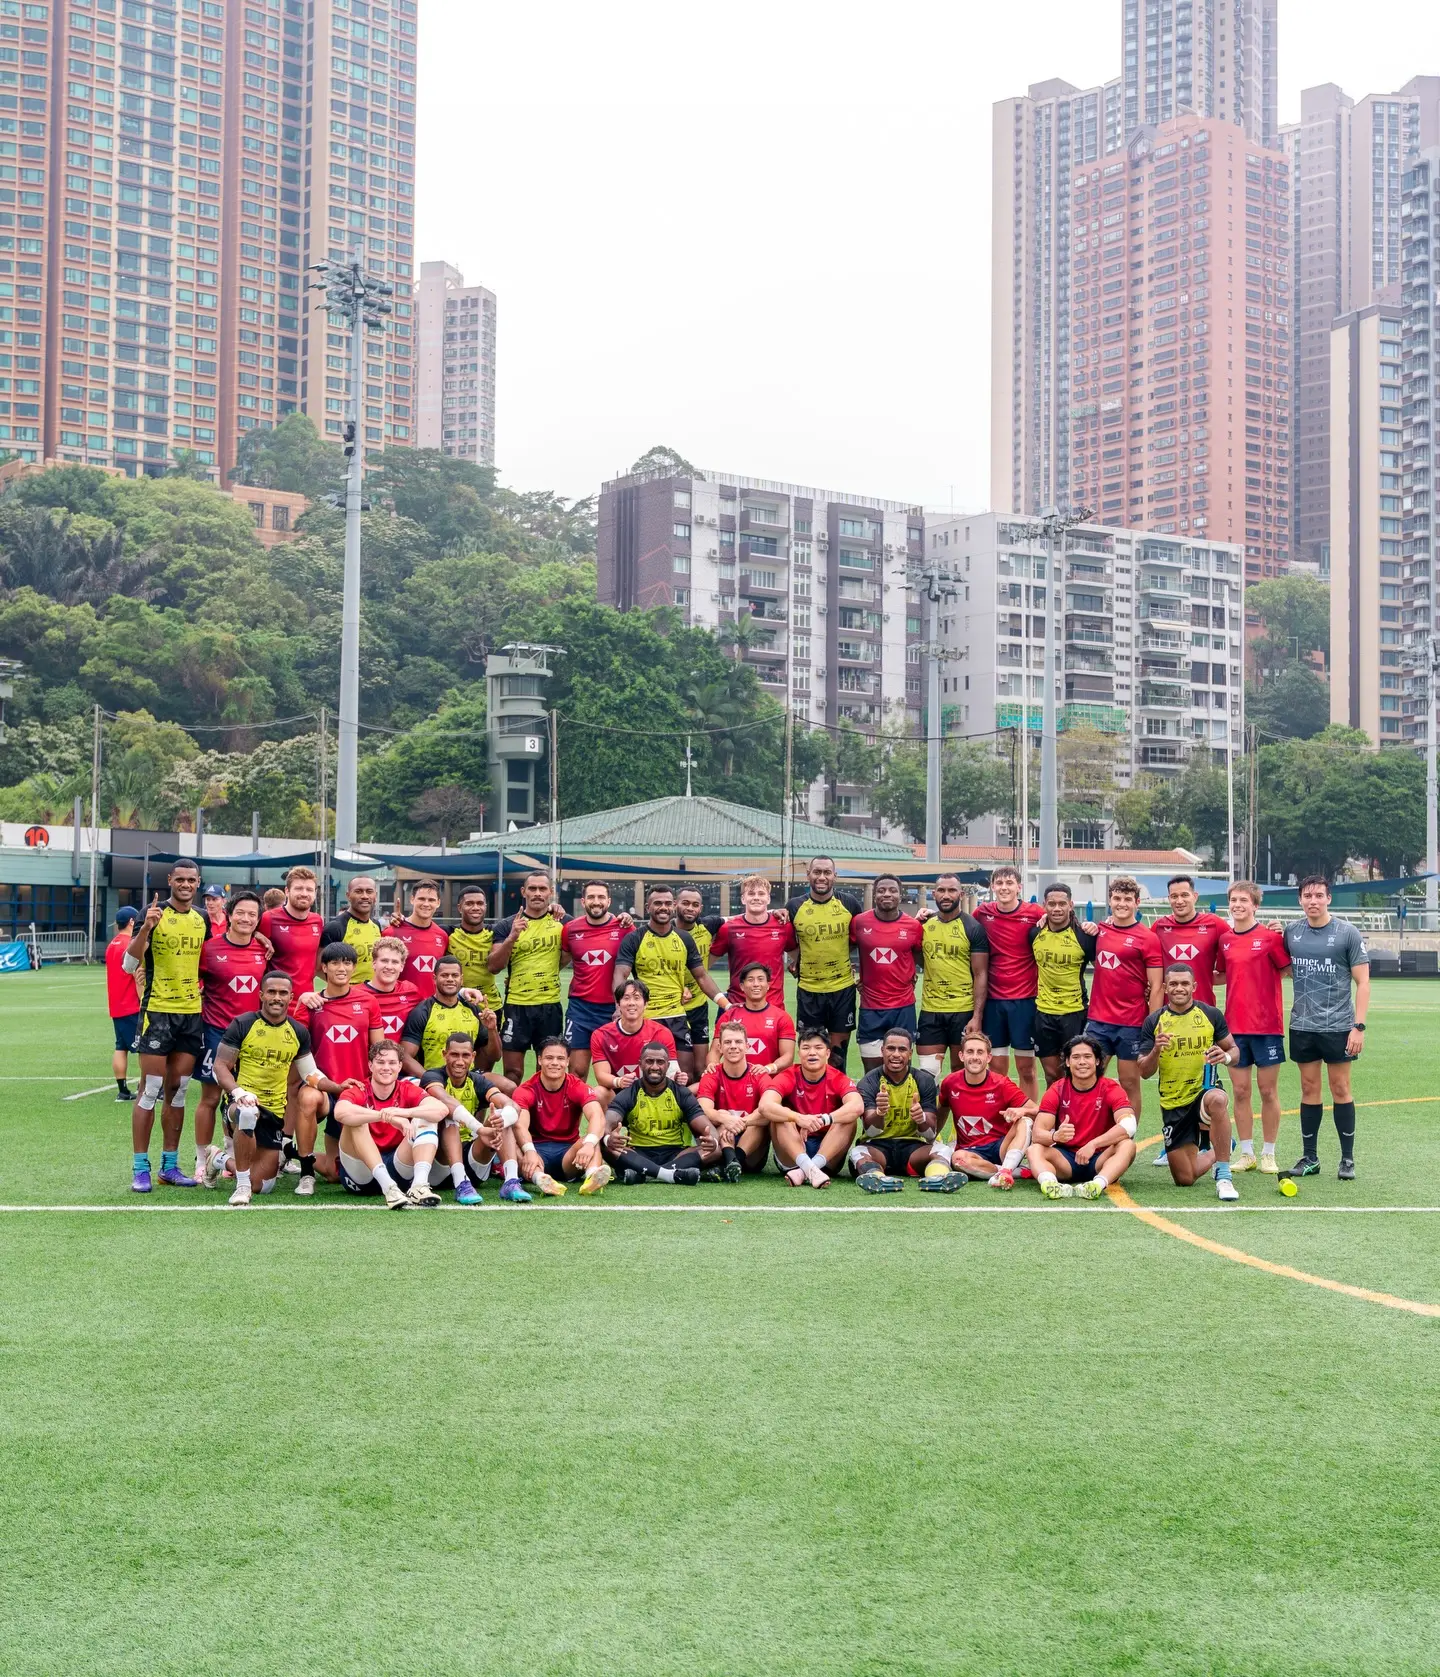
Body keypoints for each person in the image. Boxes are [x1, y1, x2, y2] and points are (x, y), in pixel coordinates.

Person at [124, 861, 209, 1191]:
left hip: (191, 1016)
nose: (186, 884)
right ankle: (140, 1168)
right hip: (157, 1013)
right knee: (150, 1091)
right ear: (170, 881)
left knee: (179, 1091)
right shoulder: (153, 912)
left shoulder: (202, 918)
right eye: (180, 879)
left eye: (191, 880)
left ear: (197, 882)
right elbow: (128, 963)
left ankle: (169, 1166)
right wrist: (146, 928)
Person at [1283, 876, 1369, 1180]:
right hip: (1303, 1024)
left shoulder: (1347, 933)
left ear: (1328, 898)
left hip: (1339, 1026)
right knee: (1309, 1089)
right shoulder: (1291, 932)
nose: (1313, 901)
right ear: (1300, 900)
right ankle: (1311, 1158)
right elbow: (1280, 965)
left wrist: (1358, 1026)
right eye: (1307, 896)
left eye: (1319, 895)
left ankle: (1347, 1159)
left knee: (1341, 1088)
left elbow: (1363, 982)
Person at [212, 971, 321, 1207]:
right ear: (261, 994)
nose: (276, 997)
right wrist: (239, 1093)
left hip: (274, 1112)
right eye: (271, 992)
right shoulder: (243, 1023)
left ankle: (218, 1159)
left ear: (291, 997)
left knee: (264, 1186)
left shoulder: (298, 1031)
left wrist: (340, 1087)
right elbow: (220, 1066)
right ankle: (241, 1186)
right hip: (239, 1104)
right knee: (248, 1114)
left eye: (283, 993)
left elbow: (310, 1074)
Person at [1137, 963, 1240, 1201]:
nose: (1179, 988)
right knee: (1185, 1178)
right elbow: (1144, 1071)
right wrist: (1156, 1050)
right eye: (1173, 984)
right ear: (1165, 988)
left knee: (1217, 1099)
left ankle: (1224, 1177)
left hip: (1203, 1091)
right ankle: (1222, 1148)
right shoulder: (1154, 1021)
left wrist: (1224, 1057)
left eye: (1184, 983)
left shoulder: (1210, 1014)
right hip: (1174, 1102)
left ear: (1194, 986)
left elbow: (1234, 1051)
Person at [194, 890, 270, 1187]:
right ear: (229, 913)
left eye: (253, 914)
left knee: (241, 1098)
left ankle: (227, 1155)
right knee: (211, 1097)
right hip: (216, 1032)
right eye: (241, 913)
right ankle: (201, 1161)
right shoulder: (210, 948)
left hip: (251, 1036)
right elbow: (195, 982)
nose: (246, 919)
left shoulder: (265, 951)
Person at [298, 940, 386, 1194]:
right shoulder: (311, 1003)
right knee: (308, 1097)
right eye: (335, 962)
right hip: (325, 1089)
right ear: (323, 968)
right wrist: (303, 998)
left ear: (354, 967)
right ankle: (305, 1173)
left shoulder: (368, 1002)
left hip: (357, 1091)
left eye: (347, 963)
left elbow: (378, 1050)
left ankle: (290, 1151)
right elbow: (299, 1052)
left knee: (338, 1175)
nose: (341, 968)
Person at [1216, 881, 1291, 1174]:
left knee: (1268, 1091)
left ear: (1255, 905)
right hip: (1233, 1029)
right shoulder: (1225, 939)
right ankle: (1246, 1153)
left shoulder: (1270, 938)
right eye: (1234, 900)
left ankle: (1268, 1153)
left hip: (1267, 1026)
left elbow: (1286, 969)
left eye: (1244, 900)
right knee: (1241, 1091)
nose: (1238, 905)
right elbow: (1223, 975)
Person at [612, 886, 726, 1069]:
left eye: (666, 903)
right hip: (647, 1016)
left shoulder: (684, 939)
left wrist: (726, 1005)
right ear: (648, 907)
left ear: (673, 906)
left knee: (686, 1075)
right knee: (647, 1073)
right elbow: (621, 974)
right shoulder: (634, 939)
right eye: (657, 903)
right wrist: (619, 1007)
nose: (662, 907)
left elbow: (701, 976)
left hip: (677, 1015)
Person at [332, 1039, 449, 1208]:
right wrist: (385, 1116)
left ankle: (419, 1186)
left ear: (400, 1066)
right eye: (380, 1062)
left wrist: (404, 1113)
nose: (386, 1067)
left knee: (426, 1117)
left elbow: (441, 1109)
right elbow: (340, 1112)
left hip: (397, 1165)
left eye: (392, 1062)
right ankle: (388, 1188)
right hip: (361, 1174)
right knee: (356, 1119)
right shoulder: (359, 1089)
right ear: (370, 1066)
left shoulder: (406, 1088)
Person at [1084, 876, 1164, 1123]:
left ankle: (1128, 1138)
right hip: (1098, 1021)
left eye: (1128, 899)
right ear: (1110, 901)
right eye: (1117, 898)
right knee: (1089, 1078)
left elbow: (1157, 985)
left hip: (1131, 1023)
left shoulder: (1147, 938)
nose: (1122, 904)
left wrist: (1151, 1026)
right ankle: (1090, 1133)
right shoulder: (1099, 930)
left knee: (1129, 1082)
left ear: (1137, 903)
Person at [1026, 1035, 1138, 1201]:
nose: (1082, 1062)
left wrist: (1094, 1144)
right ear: (1068, 1062)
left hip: (1100, 1158)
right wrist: (1055, 1136)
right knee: (1034, 1149)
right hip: (1066, 1160)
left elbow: (1129, 1124)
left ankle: (1096, 1185)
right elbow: (1037, 1135)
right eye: (1076, 1057)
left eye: (1087, 1057)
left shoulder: (1110, 1088)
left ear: (1098, 1061)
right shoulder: (1057, 1089)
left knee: (1127, 1145)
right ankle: (1050, 1185)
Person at [600, 1040, 723, 1185]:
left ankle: (644, 1174)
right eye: (649, 1061)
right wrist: (609, 1138)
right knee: (605, 1145)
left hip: (676, 1154)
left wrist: (712, 1140)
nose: (654, 1067)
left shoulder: (680, 1093)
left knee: (715, 1150)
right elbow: (606, 1124)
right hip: (638, 1153)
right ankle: (671, 1175)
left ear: (667, 1065)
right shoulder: (629, 1093)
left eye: (660, 1062)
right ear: (640, 1064)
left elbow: (708, 1128)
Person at [416, 1030, 516, 1205]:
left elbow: (512, 1105)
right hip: (440, 1164)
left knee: (501, 1116)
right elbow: (447, 1101)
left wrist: (502, 1120)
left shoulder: (478, 1081)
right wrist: (480, 1129)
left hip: (473, 1159)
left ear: (473, 1056)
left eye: (465, 1055)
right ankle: (461, 1182)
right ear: (444, 1054)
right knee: (447, 1115)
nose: (460, 1061)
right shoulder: (432, 1076)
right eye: (454, 1055)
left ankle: (511, 1182)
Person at [785, 856, 864, 1070]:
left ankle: (839, 1101)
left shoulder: (849, 903)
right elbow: (784, 940)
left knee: (838, 1055)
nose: (822, 877)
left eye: (827, 872)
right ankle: (811, 1100)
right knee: (811, 1052)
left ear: (835, 876)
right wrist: (797, 960)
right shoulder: (793, 906)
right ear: (808, 875)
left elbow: (863, 939)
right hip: (809, 990)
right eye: (817, 872)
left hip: (842, 990)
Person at [974, 866, 1046, 1102]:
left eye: (1009, 883)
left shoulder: (1035, 913)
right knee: (996, 1069)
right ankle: (1000, 1120)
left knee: (1027, 1068)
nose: (1004, 888)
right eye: (1000, 883)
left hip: (1025, 1002)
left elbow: (1062, 922)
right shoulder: (982, 914)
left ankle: (1029, 1120)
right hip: (994, 1002)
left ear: (1019, 887)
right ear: (992, 887)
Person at [759, 1027, 864, 1189]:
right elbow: (765, 1106)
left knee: (849, 1120)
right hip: (792, 1153)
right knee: (780, 1118)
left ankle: (806, 1170)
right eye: (806, 1048)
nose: (812, 1053)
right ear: (799, 1054)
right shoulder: (788, 1075)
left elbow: (857, 1106)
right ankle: (809, 1168)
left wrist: (824, 1119)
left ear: (827, 1053)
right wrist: (798, 1118)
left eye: (818, 1048)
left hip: (827, 1153)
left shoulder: (837, 1077)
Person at [488, 870, 566, 1080]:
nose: (537, 893)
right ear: (524, 892)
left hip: (550, 1007)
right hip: (516, 1007)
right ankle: (516, 1113)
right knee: (513, 1073)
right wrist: (512, 937)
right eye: (532, 888)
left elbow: (569, 953)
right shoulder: (507, 925)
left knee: (549, 1073)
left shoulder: (563, 922)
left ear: (551, 892)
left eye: (542, 889)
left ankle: (541, 1114)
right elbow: (494, 966)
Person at [508, 1036, 611, 1194]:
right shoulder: (526, 1090)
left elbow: (597, 1116)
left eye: (560, 1058)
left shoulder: (577, 1086)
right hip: (536, 1152)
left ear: (568, 1061)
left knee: (592, 1139)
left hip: (569, 1155)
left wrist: (589, 1143)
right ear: (540, 1060)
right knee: (514, 1144)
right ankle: (539, 1179)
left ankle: (592, 1177)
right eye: (549, 1058)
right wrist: (529, 1151)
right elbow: (520, 1126)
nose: (555, 1063)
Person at [849, 1027, 945, 1193]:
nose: (896, 1054)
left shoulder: (924, 1081)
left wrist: (920, 1117)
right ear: (882, 1051)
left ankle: (937, 1179)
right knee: (857, 1152)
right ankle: (878, 1178)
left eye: (902, 1049)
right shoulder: (868, 1083)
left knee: (943, 1150)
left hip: (913, 1149)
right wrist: (879, 1113)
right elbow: (871, 1132)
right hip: (878, 1147)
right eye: (890, 1048)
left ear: (910, 1053)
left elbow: (930, 1134)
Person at [938, 1032, 1037, 1189]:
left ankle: (1005, 1170)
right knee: (958, 1160)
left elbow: (1036, 1109)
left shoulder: (1001, 1084)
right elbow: (941, 1110)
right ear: (961, 1056)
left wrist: (1021, 1111)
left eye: (980, 1052)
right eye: (970, 1052)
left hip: (1001, 1147)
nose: (975, 1057)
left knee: (1025, 1121)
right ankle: (1012, 1172)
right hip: (970, 1151)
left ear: (988, 1058)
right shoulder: (950, 1083)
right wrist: (931, 1137)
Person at [848, 873, 926, 1071]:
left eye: (893, 890)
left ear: (901, 895)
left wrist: (910, 974)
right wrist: (851, 977)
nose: (887, 894)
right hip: (870, 1008)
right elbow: (840, 951)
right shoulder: (859, 923)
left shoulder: (914, 926)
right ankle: (872, 1103)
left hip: (903, 1007)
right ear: (874, 895)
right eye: (881, 890)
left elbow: (921, 960)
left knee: (900, 1070)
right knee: (872, 1072)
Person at [915, 873, 989, 1076]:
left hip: (963, 1012)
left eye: (951, 890)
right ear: (934, 894)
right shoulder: (923, 925)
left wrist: (977, 1016)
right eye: (941, 890)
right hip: (930, 1011)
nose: (946, 895)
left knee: (961, 1071)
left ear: (961, 894)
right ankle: (930, 1109)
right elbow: (918, 958)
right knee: (928, 1073)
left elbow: (981, 974)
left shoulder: (973, 928)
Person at [1027, 883, 1097, 1087]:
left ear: (1071, 905)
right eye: (1052, 904)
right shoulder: (1035, 934)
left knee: (1075, 1074)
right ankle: (1055, 1117)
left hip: (1074, 1013)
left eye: (1062, 904)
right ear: (1044, 906)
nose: (1057, 908)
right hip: (1043, 1013)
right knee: (1051, 1075)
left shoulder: (1084, 936)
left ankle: (1077, 1116)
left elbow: (1104, 972)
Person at [560, 880, 630, 1076]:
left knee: (616, 1072)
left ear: (608, 901)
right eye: (591, 897)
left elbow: (640, 965)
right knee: (576, 1070)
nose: (596, 901)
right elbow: (558, 962)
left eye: (601, 897)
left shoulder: (625, 928)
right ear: (583, 901)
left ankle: (613, 1108)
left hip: (613, 1009)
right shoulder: (570, 929)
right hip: (580, 1009)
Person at [694, 1019, 772, 1180]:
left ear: (747, 1046)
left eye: (738, 1042)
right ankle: (731, 1163)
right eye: (728, 1042)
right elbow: (703, 1109)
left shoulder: (759, 1074)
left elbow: (770, 1109)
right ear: (720, 1047)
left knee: (760, 1121)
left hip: (752, 1154)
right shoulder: (712, 1073)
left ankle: (733, 1161)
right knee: (719, 1114)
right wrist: (725, 1119)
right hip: (720, 1145)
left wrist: (739, 1122)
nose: (733, 1046)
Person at [399, 953, 497, 1075]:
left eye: (454, 975)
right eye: (444, 975)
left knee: (508, 1087)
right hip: (436, 1077)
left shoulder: (473, 1010)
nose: (450, 979)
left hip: (469, 1077)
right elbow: (405, 1055)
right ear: (434, 979)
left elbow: (495, 1056)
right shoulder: (423, 1012)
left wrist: (492, 1030)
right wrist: (429, 1079)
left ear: (461, 979)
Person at [709, 874, 795, 1008]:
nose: (756, 897)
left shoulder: (783, 926)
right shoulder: (728, 929)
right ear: (743, 899)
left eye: (761, 894)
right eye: (751, 893)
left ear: (768, 898)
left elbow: (800, 958)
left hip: (774, 1007)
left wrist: (796, 965)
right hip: (738, 1006)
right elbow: (704, 965)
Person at [589, 979, 679, 1095]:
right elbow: (601, 1075)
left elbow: (672, 1072)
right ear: (618, 1004)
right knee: (598, 1093)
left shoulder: (662, 1033)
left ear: (646, 1004)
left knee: (679, 1092)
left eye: (637, 998)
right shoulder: (601, 1035)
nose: (631, 1003)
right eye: (626, 998)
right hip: (618, 1097)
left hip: (652, 1094)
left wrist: (677, 1077)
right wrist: (619, 1081)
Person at [1150, 874, 1229, 1005]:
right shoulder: (1158, 927)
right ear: (1169, 899)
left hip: (1203, 1009)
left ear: (1195, 896)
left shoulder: (1215, 924)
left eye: (1185, 895)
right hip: (1168, 1011)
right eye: (1174, 896)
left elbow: (1240, 945)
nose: (1179, 901)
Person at [706, 961, 795, 1075]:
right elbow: (714, 1052)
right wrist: (712, 1065)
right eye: (750, 980)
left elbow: (788, 1056)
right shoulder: (729, 1016)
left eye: (760, 979)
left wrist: (768, 1068)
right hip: (736, 1081)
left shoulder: (782, 1017)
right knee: (699, 1087)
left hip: (769, 1081)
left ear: (768, 985)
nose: (756, 984)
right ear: (742, 986)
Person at [258, 865, 323, 1017]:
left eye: (309, 889)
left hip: (307, 1004)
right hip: (277, 1006)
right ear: (287, 891)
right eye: (299, 888)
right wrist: (256, 934)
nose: (304, 894)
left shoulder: (317, 921)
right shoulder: (269, 918)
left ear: (315, 893)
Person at [445, 884, 505, 1026]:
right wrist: (400, 920)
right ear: (460, 908)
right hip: (457, 1004)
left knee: (493, 1048)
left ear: (485, 906)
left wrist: (552, 909)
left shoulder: (496, 933)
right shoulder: (447, 934)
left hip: (490, 1006)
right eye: (469, 903)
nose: (475, 908)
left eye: (480, 903)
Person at [675, 886, 717, 1077]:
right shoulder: (664, 931)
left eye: (695, 905)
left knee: (701, 1069)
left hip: (699, 1007)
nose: (690, 908)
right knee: (681, 1071)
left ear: (700, 908)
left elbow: (740, 918)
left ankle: (700, 1106)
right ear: (676, 904)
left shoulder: (708, 926)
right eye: (685, 903)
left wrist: (776, 912)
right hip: (673, 1009)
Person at [388, 878, 451, 1002]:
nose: (426, 904)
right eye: (421, 899)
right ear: (412, 899)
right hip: (402, 1005)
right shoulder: (392, 932)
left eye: (431, 900)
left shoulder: (442, 936)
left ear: (438, 903)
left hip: (432, 1005)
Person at [104, 905, 141, 1102]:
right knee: (145, 1048)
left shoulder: (112, 944)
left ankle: (123, 1089)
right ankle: (147, 1087)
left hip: (116, 1005)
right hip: (131, 1005)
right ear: (132, 922)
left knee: (121, 1047)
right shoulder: (131, 944)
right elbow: (137, 976)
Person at [321, 875, 383, 983]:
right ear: (348, 895)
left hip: (373, 996)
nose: (365, 896)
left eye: (369, 891)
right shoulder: (335, 927)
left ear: (375, 896)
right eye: (358, 891)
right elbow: (319, 967)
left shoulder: (376, 925)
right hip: (348, 997)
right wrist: (341, 989)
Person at [361, 934, 419, 1042]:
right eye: (384, 961)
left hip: (400, 1058)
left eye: (395, 962)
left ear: (402, 966)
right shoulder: (357, 994)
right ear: (374, 963)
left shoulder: (411, 991)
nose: (389, 967)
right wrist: (318, 996)